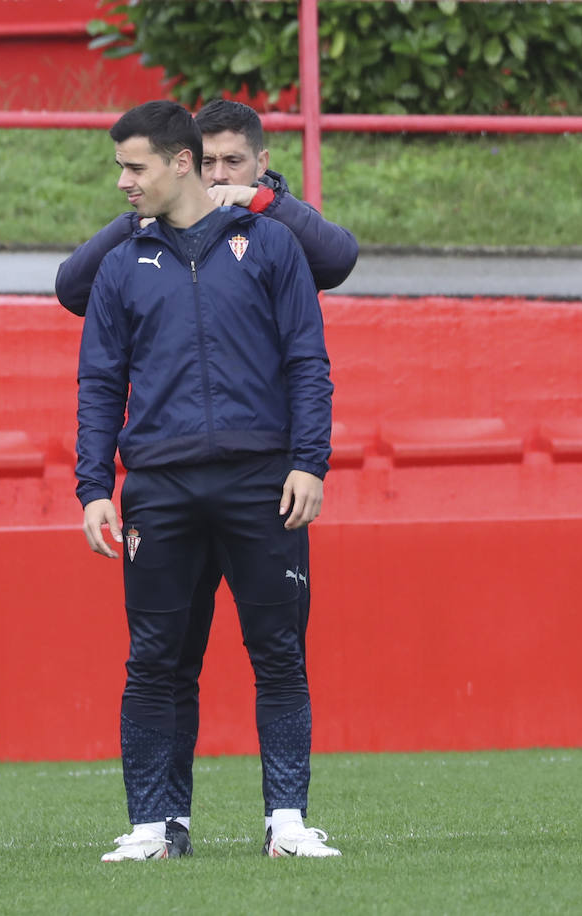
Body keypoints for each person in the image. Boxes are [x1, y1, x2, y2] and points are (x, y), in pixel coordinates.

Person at [57, 98, 356, 856]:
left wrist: (309, 463)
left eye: (134, 167)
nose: (122, 182)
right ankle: (154, 828)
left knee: (279, 654)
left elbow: (307, 364)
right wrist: (94, 486)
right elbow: (98, 382)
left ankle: (286, 825)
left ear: (177, 163)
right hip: (157, 489)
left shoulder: (274, 247)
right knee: (154, 661)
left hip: (264, 484)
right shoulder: (121, 264)